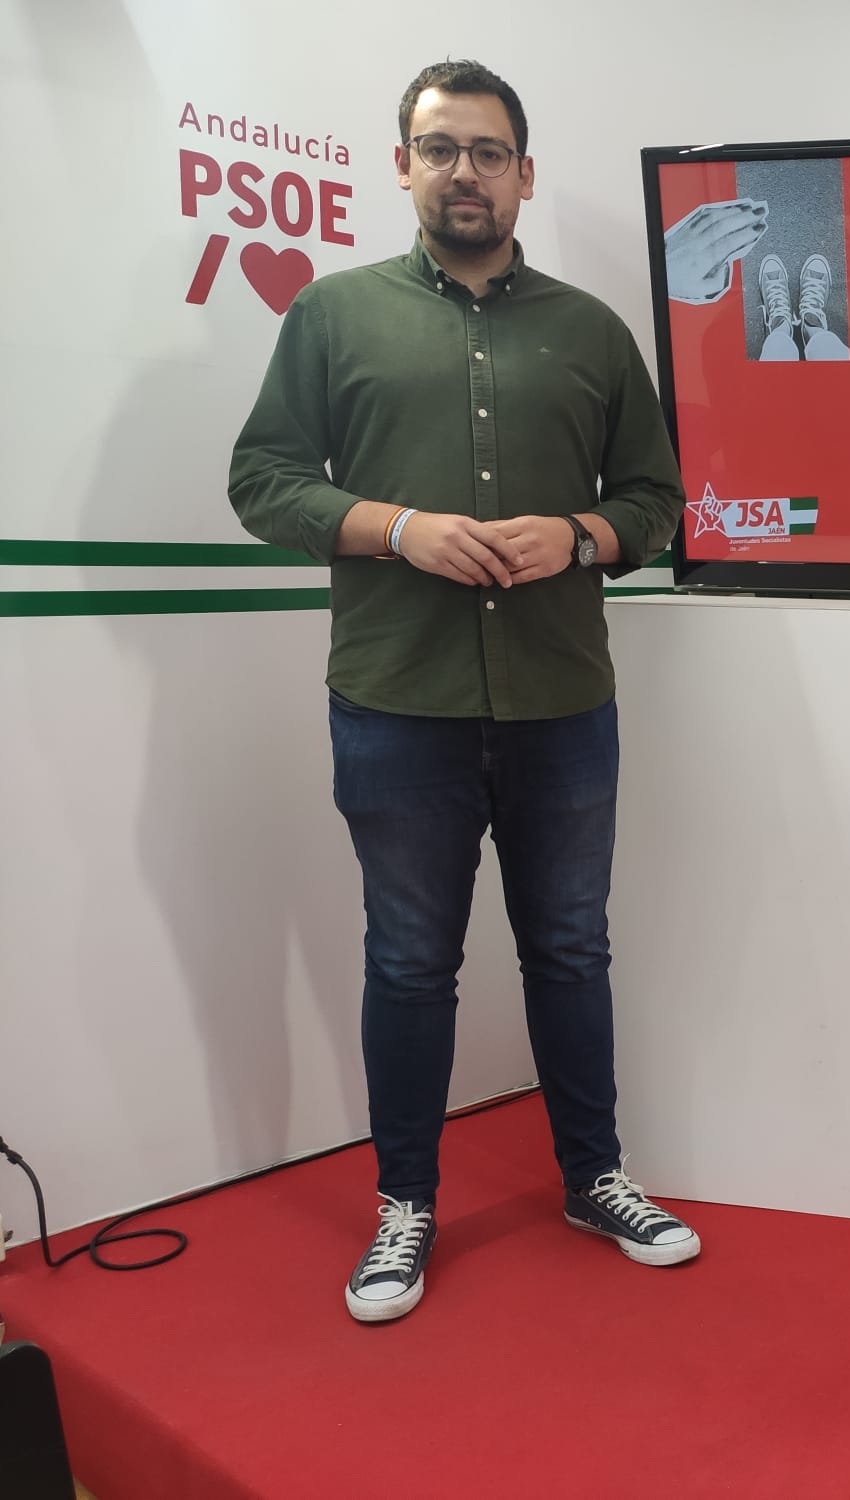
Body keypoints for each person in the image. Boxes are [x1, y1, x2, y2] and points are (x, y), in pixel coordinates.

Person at [227, 59, 698, 1325]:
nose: (465, 172)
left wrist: (584, 537)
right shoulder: (331, 316)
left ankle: (595, 1176)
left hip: (559, 698)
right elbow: (263, 482)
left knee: (567, 948)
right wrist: (394, 527)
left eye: (488, 151)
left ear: (526, 173)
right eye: (439, 149)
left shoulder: (593, 333)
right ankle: (404, 1205)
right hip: (396, 701)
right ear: (402, 166)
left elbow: (657, 500)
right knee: (410, 961)